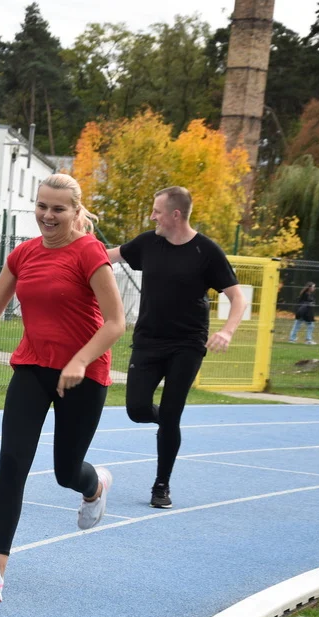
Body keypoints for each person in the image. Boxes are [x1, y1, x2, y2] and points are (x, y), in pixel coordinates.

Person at [0, 173, 126, 603]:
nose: (48, 215)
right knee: (12, 462)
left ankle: (93, 486)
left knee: (67, 470)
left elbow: (116, 322)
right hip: (32, 368)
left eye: (58, 208)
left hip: (83, 374)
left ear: (75, 211)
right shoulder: (23, 254)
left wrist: (80, 361)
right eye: (42, 206)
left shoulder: (90, 253)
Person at [107, 186, 246, 509]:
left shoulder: (206, 252)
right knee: (137, 409)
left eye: (156, 211)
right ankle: (166, 422)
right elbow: (105, 255)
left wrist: (227, 331)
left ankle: (161, 484)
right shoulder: (147, 243)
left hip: (187, 344)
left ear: (175, 215)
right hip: (148, 341)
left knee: (172, 413)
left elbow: (237, 297)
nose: (152, 216)